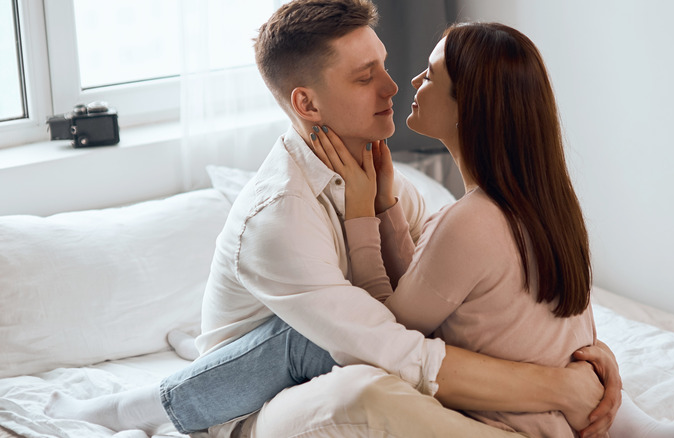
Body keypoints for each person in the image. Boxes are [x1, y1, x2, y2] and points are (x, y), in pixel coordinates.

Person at [45, 1, 621, 437]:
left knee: (359, 357)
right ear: (307, 104)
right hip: (255, 402)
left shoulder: (386, 171)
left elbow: (446, 292)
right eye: (364, 76)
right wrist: (560, 386)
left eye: (387, 66)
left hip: (348, 352)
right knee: (345, 367)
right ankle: (141, 406)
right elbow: (399, 344)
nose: (395, 89)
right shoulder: (281, 220)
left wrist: (585, 368)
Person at [307, 21, 674, 438]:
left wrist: (359, 213)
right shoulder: (545, 200)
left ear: (468, 106)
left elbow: (391, 331)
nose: (412, 84)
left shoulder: (471, 221)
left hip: (523, 426)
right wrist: (387, 203)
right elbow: (429, 290)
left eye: (430, 75)